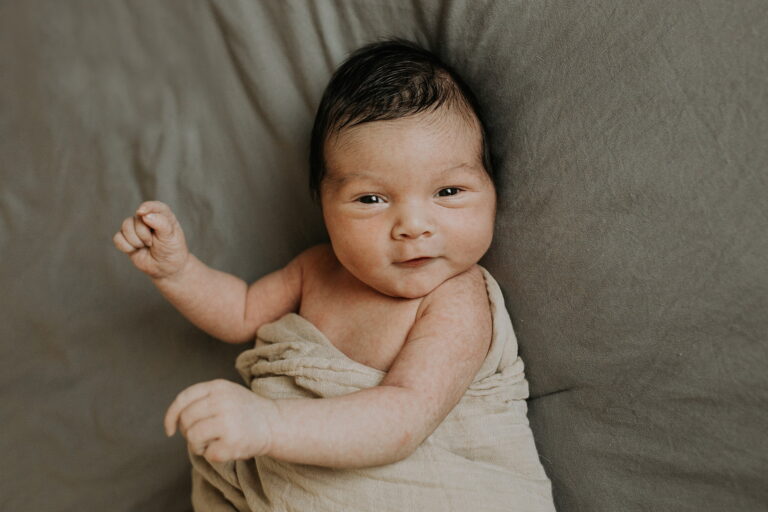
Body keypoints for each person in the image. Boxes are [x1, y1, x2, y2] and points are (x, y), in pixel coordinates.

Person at [114, 39, 554, 510]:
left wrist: (269, 425)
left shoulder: (457, 298)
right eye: (371, 199)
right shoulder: (315, 270)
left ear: (492, 188)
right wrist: (178, 270)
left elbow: (404, 416)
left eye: (448, 190)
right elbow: (239, 312)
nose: (413, 226)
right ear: (324, 206)